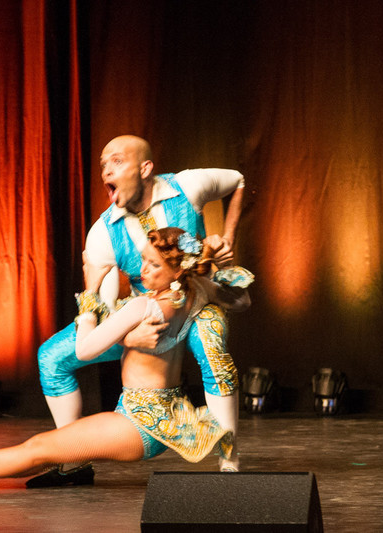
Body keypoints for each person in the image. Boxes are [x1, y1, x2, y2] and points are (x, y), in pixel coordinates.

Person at [0, 228, 254, 489]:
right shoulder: (195, 290)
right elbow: (242, 301)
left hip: (139, 423)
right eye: (144, 259)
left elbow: (84, 349)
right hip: (164, 415)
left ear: (178, 271)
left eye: (154, 265)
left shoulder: (144, 307)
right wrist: (217, 270)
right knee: (49, 452)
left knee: (39, 448)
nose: (143, 270)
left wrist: (89, 295)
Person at [33, 135, 246, 486]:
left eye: (116, 161)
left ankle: (229, 461)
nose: (106, 170)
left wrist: (228, 238)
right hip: (148, 321)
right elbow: (105, 308)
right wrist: (129, 337)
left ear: (145, 168)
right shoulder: (103, 233)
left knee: (212, 345)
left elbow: (237, 181)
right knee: (52, 358)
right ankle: (73, 459)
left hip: (195, 306)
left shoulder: (188, 186)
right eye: (103, 165)